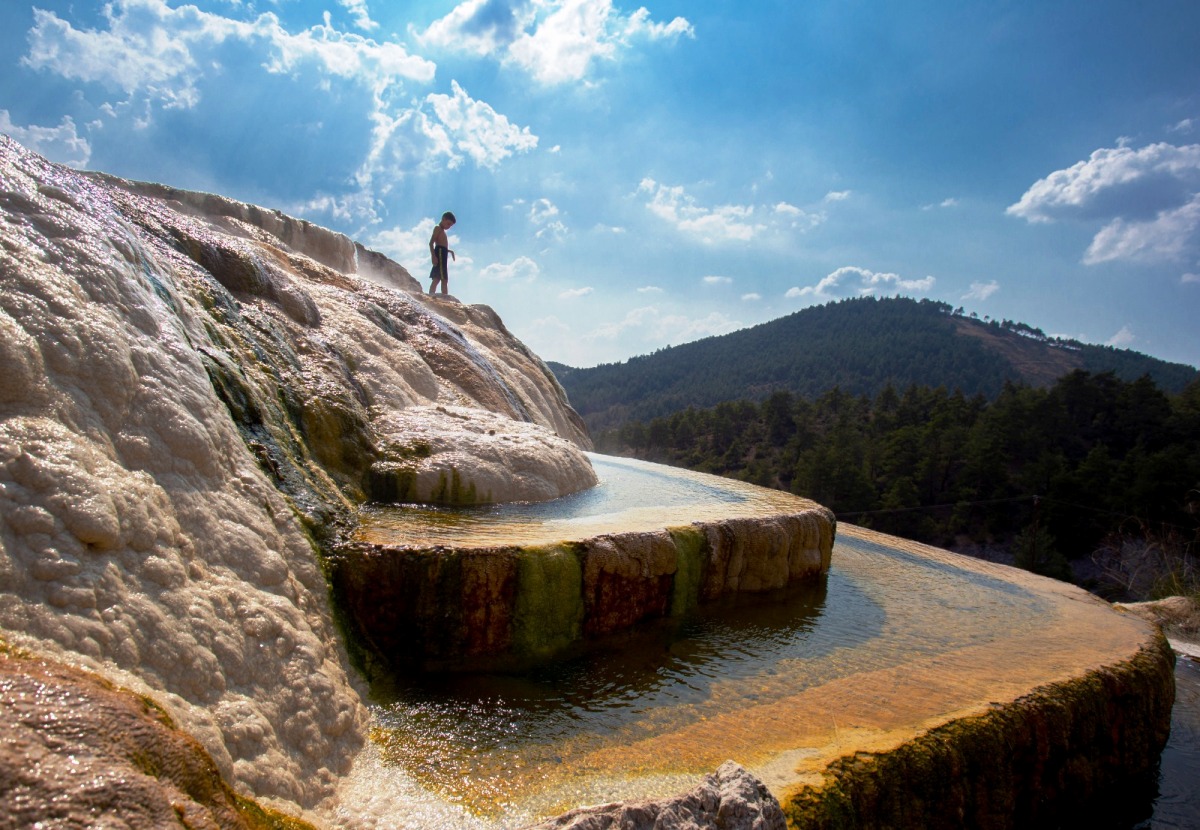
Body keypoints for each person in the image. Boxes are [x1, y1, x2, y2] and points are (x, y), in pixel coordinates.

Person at [428, 211, 456, 295]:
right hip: (439, 253)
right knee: (437, 277)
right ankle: (431, 294)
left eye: (450, 226)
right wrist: (433, 256)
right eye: (448, 224)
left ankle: (445, 297)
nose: (448, 227)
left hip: (443, 253)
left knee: (444, 279)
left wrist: (449, 251)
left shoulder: (442, 231)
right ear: (443, 219)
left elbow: (442, 245)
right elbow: (431, 243)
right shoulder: (438, 228)